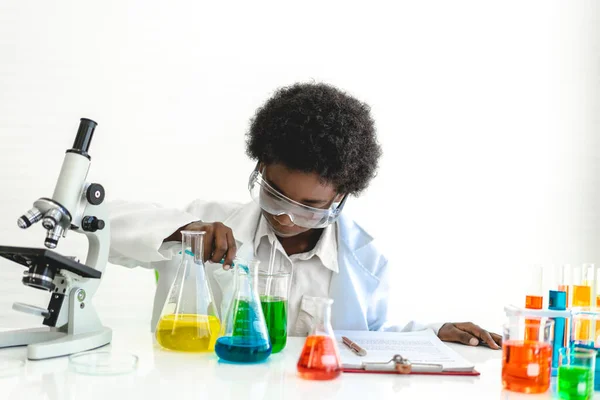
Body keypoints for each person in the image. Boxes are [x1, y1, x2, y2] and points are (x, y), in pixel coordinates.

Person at [109, 82, 501, 348]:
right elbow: (96, 223)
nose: (287, 219)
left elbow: (368, 340)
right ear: (261, 167)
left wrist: (434, 333)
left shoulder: (366, 261)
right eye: (275, 195)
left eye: (309, 207)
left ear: (342, 194)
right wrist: (182, 232)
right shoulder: (206, 222)